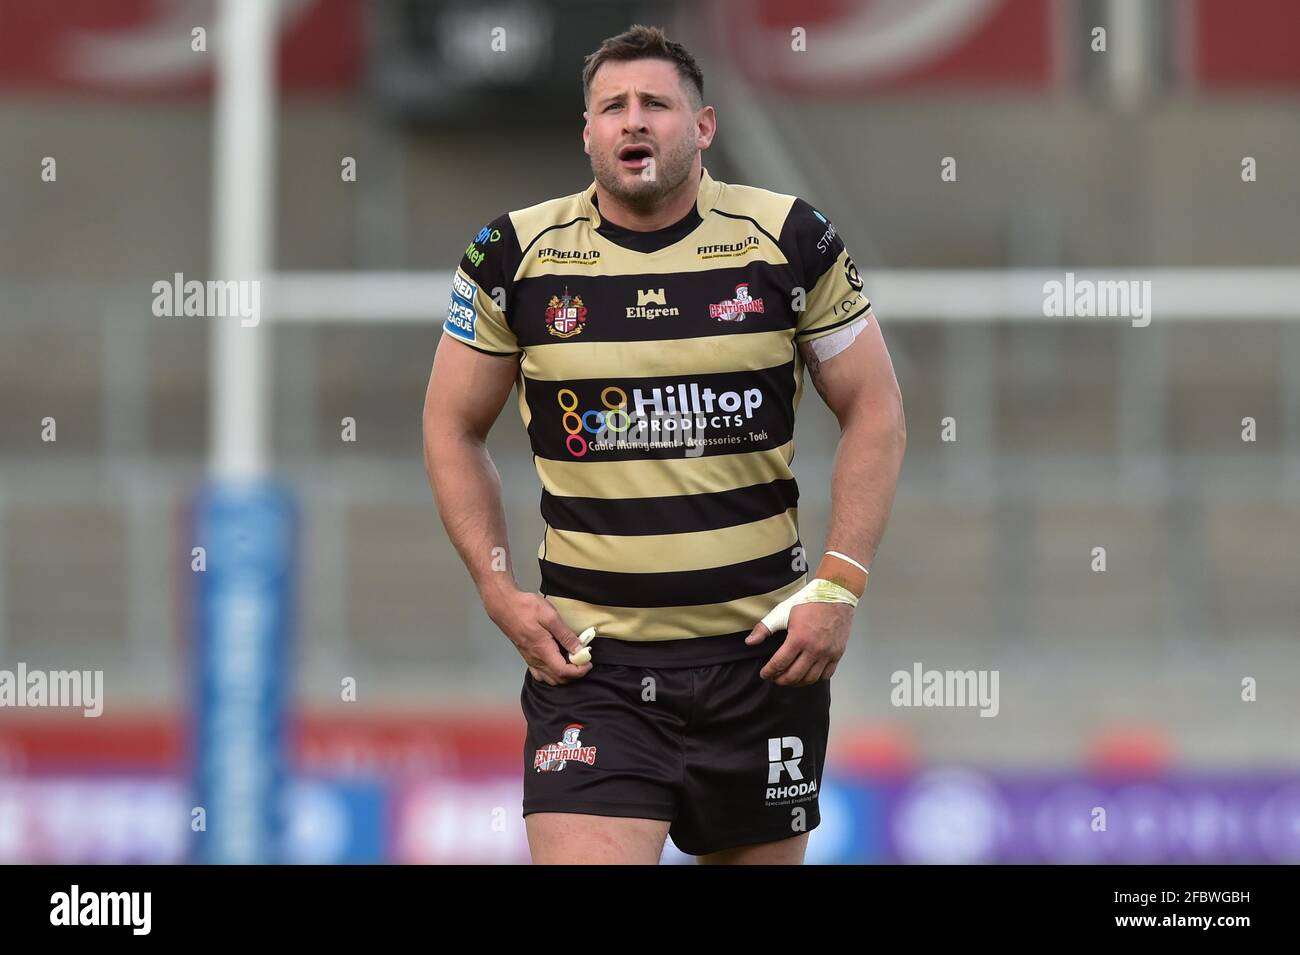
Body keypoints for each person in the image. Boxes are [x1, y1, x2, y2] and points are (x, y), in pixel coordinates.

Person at [423, 24, 906, 864]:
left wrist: (840, 585)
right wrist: (497, 588)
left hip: (762, 665)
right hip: (593, 673)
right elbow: (449, 426)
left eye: (656, 104)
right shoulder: (513, 254)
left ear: (705, 125)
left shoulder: (791, 239)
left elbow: (876, 408)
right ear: (587, 133)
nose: (633, 122)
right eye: (612, 107)